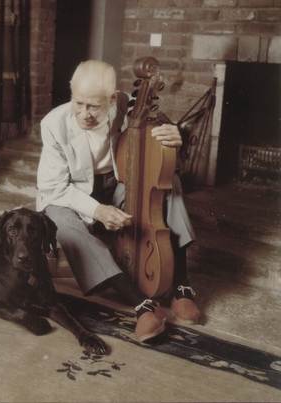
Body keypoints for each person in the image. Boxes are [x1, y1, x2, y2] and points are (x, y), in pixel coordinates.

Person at [36, 60, 200, 341]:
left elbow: (156, 135)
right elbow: (53, 188)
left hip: (115, 185)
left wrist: (175, 134)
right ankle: (141, 304)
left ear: (112, 99)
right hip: (70, 193)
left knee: (168, 184)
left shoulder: (125, 104)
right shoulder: (53, 124)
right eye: (78, 103)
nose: (84, 114)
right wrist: (97, 210)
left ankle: (181, 286)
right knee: (61, 220)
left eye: (94, 106)